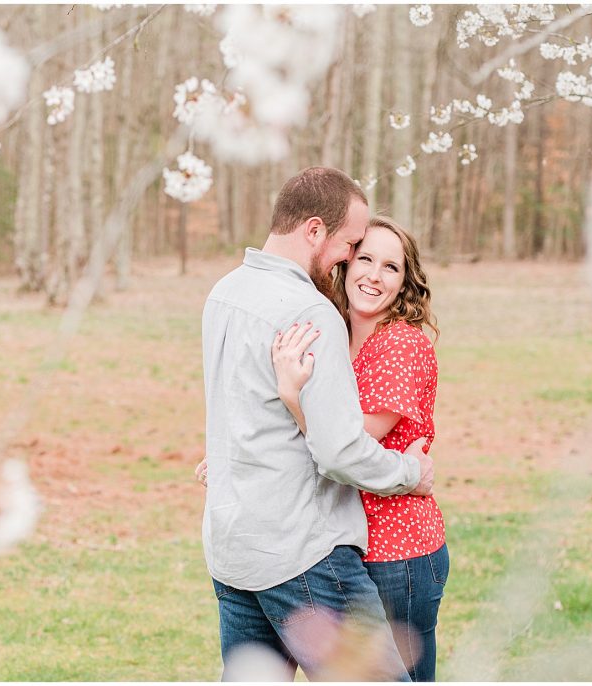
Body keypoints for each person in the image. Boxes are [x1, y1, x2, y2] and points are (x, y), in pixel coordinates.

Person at [200, 167, 435, 681]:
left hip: (232, 549)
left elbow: (240, 411)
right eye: (350, 244)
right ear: (313, 231)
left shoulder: (225, 292)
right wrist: (410, 474)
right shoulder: (311, 312)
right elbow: (339, 449)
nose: (349, 259)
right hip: (302, 553)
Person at [271, 215, 448, 681]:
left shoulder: (402, 345)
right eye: (365, 259)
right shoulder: (333, 334)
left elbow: (353, 437)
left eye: (390, 267)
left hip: (398, 551)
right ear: (345, 265)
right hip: (344, 545)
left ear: (404, 282)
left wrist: (292, 400)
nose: (373, 275)